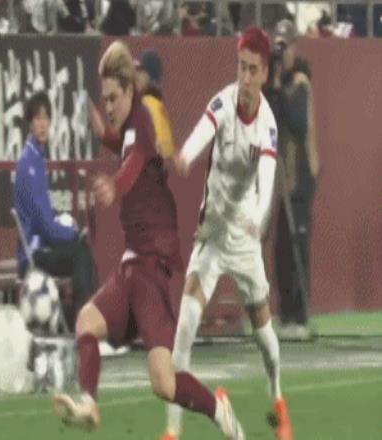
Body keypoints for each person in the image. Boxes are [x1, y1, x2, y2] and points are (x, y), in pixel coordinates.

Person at [52, 40, 244, 440]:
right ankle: (88, 405)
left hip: (154, 266)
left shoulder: (142, 117)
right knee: (87, 322)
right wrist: (101, 129)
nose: (108, 105)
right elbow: (122, 143)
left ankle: (217, 409)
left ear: (129, 90)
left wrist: (114, 186)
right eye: (103, 98)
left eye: (112, 98)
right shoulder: (128, 126)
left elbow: (135, 161)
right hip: (134, 264)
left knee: (164, 383)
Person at [160, 27, 293, 440]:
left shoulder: (267, 126)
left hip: (245, 240)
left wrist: (260, 217)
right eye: (241, 67)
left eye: (253, 70)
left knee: (265, 340)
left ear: (265, 74)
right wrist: (185, 155)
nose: (245, 78)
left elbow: (266, 180)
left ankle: (277, 400)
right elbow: (204, 129)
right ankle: (172, 431)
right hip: (213, 234)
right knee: (185, 326)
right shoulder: (223, 102)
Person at [13, 91, 97, 330]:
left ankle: (88, 323)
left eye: (46, 118)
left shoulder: (36, 158)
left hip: (40, 247)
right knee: (80, 252)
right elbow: (46, 227)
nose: (42, 124)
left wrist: (69, 231)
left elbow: (46, 220)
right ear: (30, 123)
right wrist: (74, 233)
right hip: (33, 255)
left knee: (82, 251)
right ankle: (87, 327)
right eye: (37, 118)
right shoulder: (29, 164)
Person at [265, 19, 319, 341]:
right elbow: (269, 118)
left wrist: (278, 91)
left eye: (285, 47)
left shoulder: (300, 83)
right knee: (282, 251)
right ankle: (285, 314)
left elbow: (297, 123)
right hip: (283, 183)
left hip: (301, 179)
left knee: (298, 247)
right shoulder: (278, 85)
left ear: (294, 48)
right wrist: (271, 85)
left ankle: (300, 315)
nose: (281, 54)